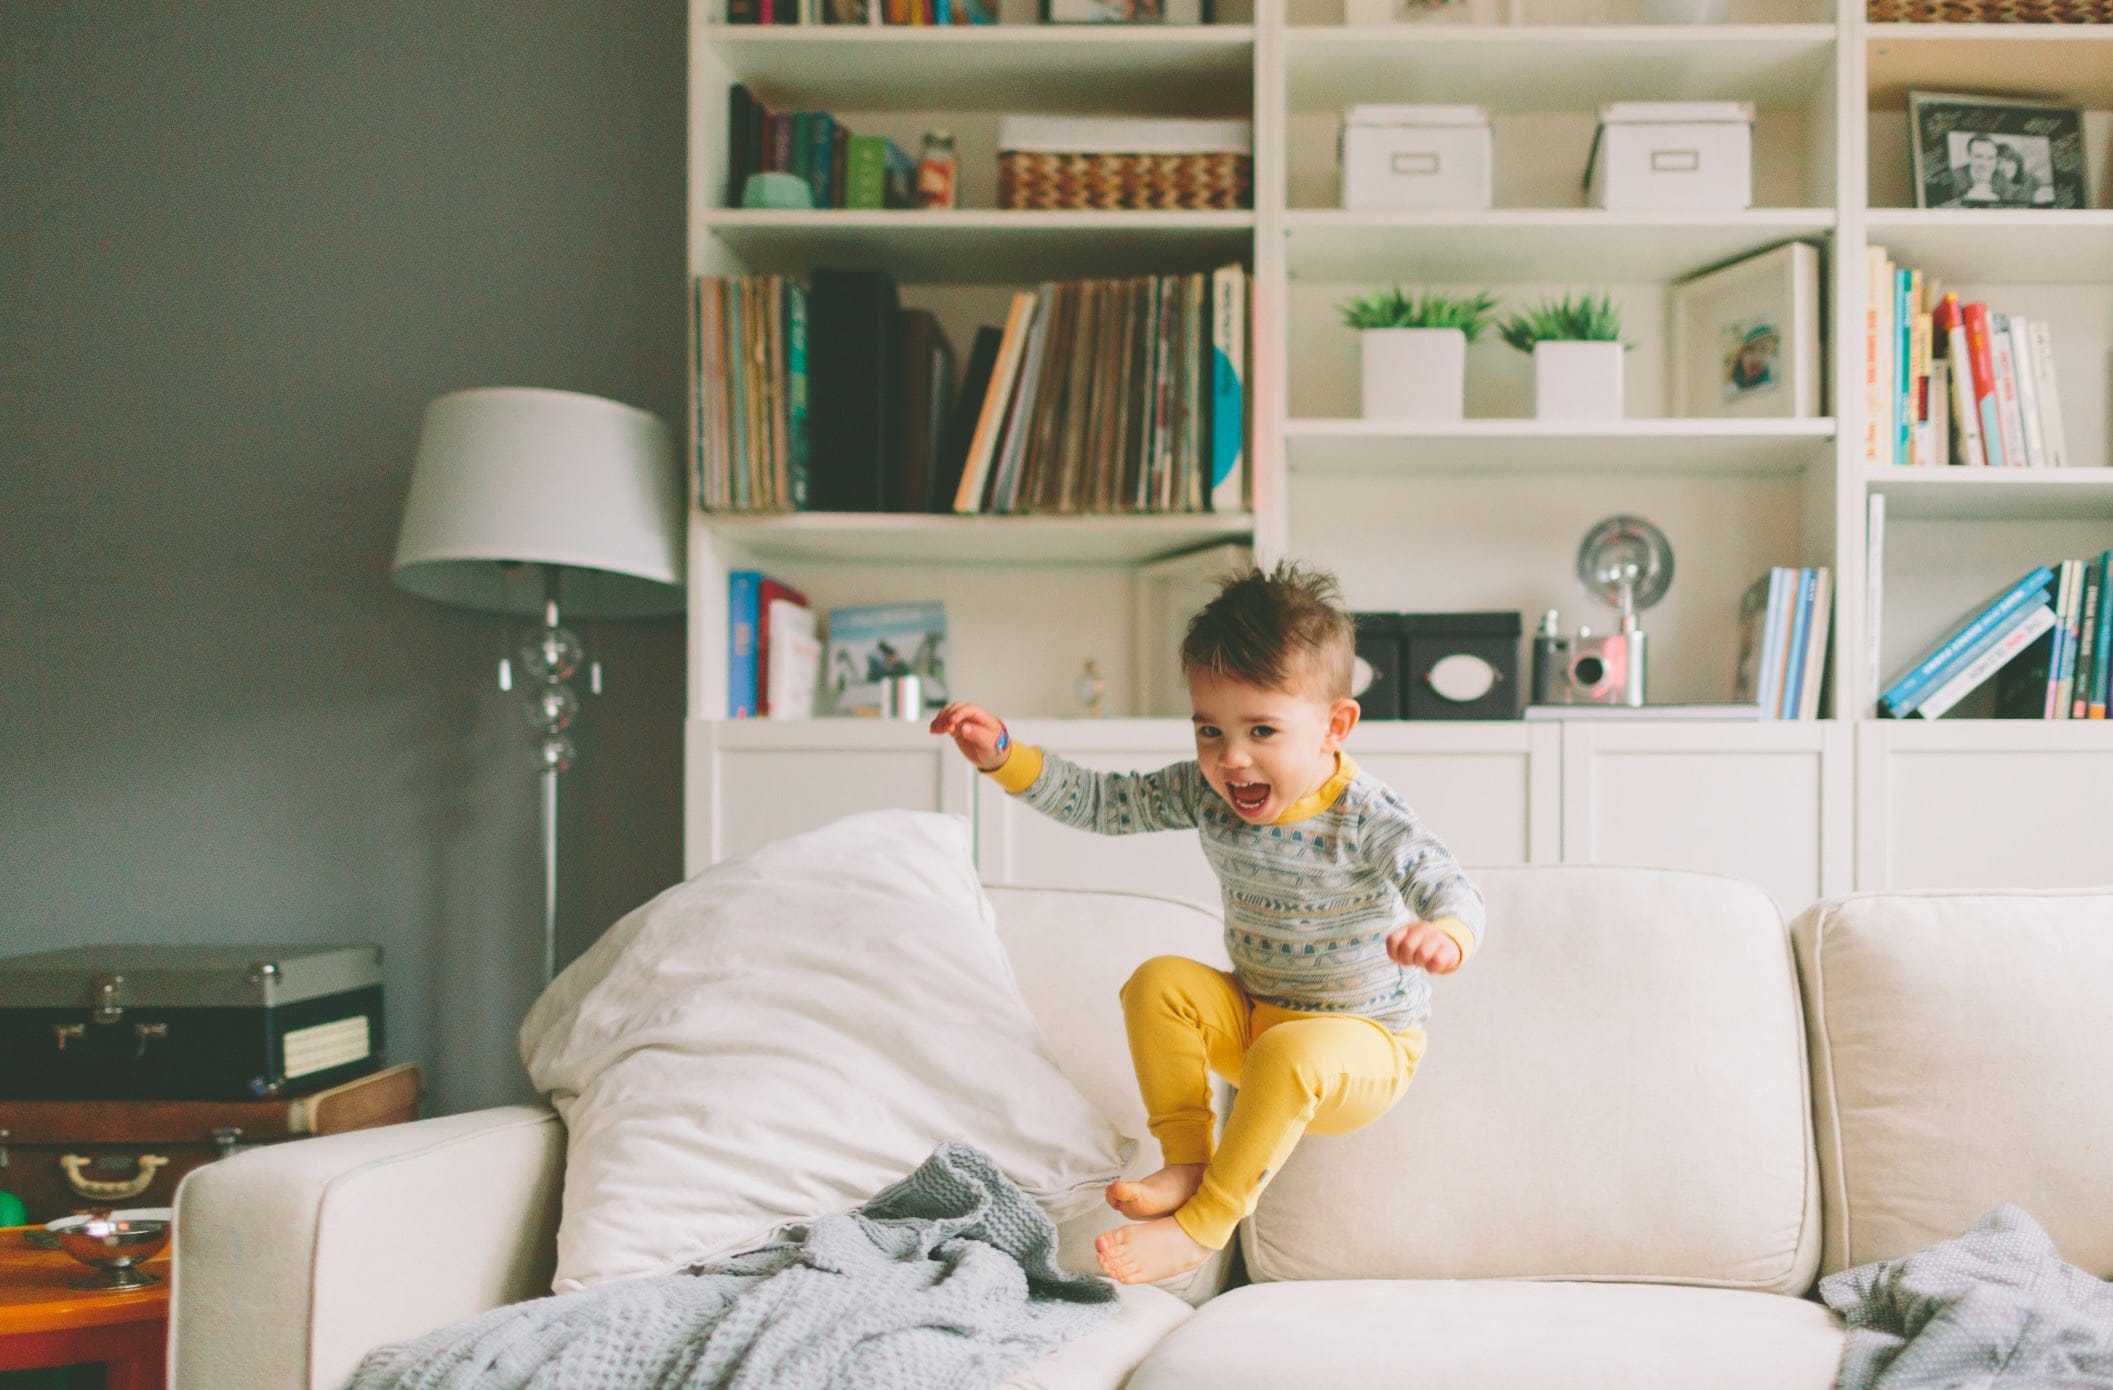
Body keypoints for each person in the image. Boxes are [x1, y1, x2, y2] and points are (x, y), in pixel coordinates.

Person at [929, 561, 1485, 1285]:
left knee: (1289, 1054)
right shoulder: (1206, 791)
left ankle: (1202, 1223)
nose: (1232, 758)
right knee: (1157, 983)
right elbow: (1104, 802)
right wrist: (1005, 758)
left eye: (1261, 729)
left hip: (1365, 1045)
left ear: (1333, 726)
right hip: (1255, 1020)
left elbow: (1452, 886)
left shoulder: (1366, 815)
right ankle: (1186, 1161)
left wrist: (1445, 933)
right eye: (1208, 730)